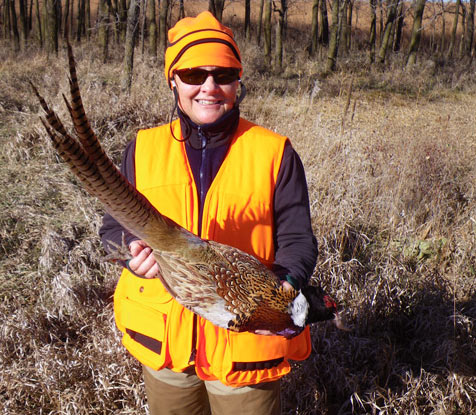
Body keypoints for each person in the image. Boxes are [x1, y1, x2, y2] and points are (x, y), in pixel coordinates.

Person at [99, 11, 318, 415]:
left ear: (239, 82)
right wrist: (132, 255)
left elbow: (298, 240)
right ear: (173, 81)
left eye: (223, 75)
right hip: (167, 348)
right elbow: (113, 226)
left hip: (244, 353)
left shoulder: (274, 153)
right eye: (194, 75)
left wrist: (281, 290)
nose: (210, 88)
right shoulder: (143, 149)